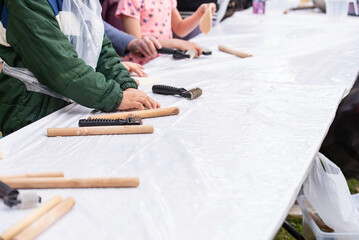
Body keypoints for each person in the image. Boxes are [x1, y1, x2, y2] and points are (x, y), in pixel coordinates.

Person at [0, 0, 160, 136]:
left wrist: (125, 86)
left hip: (75, 101)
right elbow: (59, 66)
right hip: (31, 110)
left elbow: (100, 47)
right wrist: (113, 96)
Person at [114, 0, 216, 64]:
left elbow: (180, 29)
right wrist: (176, 43)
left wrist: (199, 14)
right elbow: (136, 42)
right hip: (142, 66)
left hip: (164, 61)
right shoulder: (130, 1)